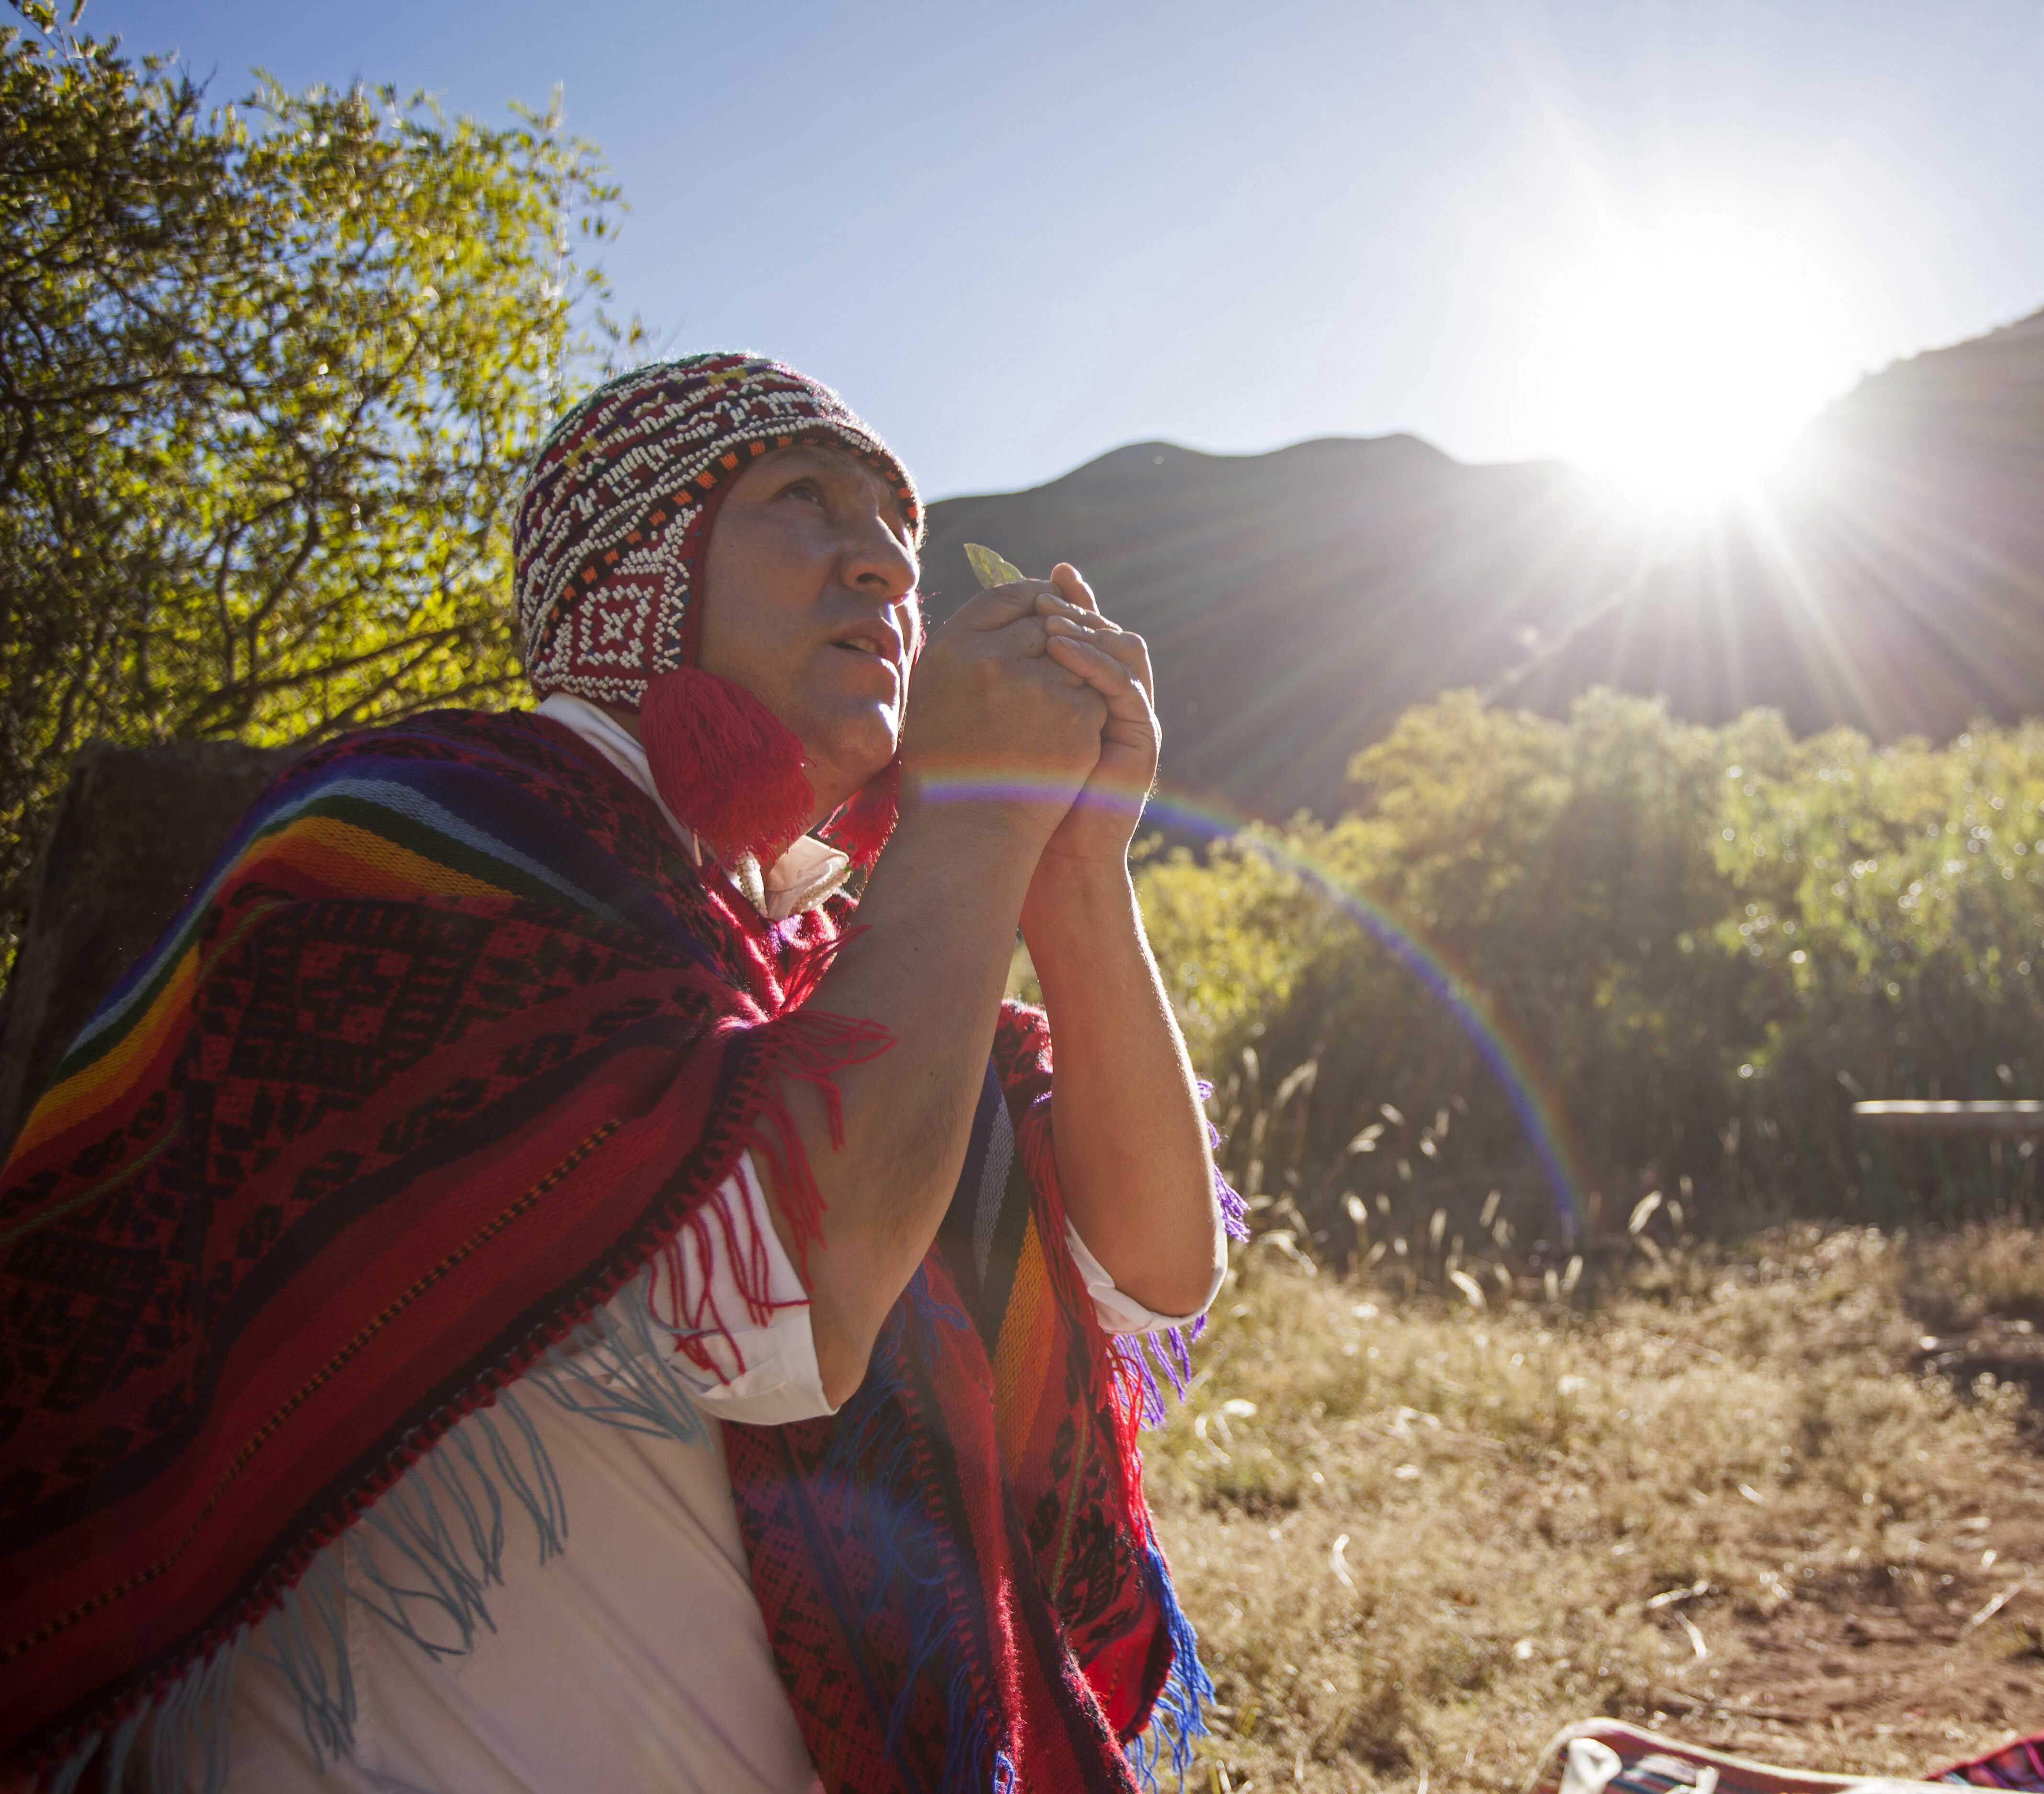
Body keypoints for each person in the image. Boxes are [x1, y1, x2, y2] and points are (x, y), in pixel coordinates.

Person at [0, 354, 1240, 1793]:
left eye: (901, 536)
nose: (888, 569)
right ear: (640, 565)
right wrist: (969, 824)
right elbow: (781, 1307)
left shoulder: (817, 959)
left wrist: (1073, 865)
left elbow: (1150, 1271)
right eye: (804, 498)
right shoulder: (433, 836)